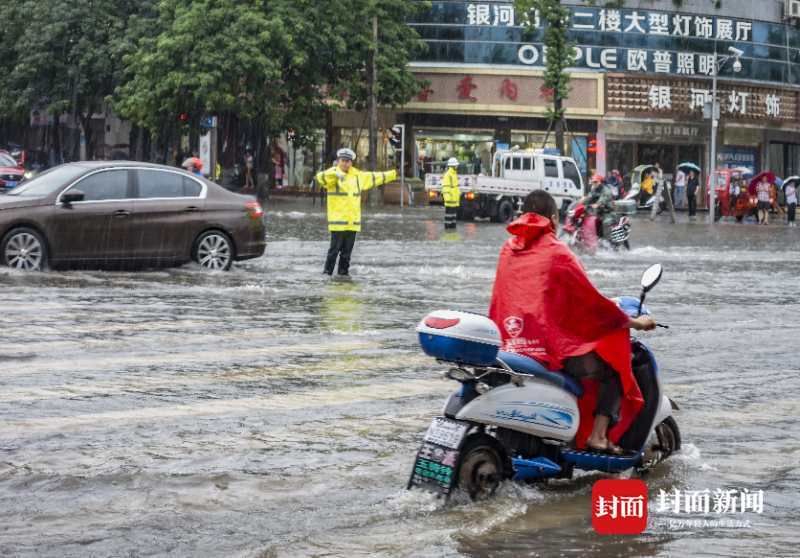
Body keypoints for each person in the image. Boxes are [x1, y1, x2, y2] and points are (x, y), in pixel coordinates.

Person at [488, 191, 655, 454]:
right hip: (550, 351)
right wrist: (634, 323)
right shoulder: (557, 252)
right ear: (553, 218)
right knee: (614, 370)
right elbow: (592, 302)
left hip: (510, 346)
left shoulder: (507, 250)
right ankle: (598, 436)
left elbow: (506, 297)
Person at [314, 148, 397, 276]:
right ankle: (327, 274)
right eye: (343, 161)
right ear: (338, 161)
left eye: (348, 161)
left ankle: (343, 276)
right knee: (334, 251)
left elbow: (375, 177)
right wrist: (335, 174)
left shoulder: (358, 176)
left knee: (347, 254)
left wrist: (393, 173)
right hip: (337, 223)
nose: (345, 163)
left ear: (351, 162)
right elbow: (321, 178)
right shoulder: (333, 174)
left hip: (352, 223)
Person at [583, 174, 616, 240]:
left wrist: (597, 204)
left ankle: (608, 242)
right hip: (598, 212)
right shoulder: (594, 190)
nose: (594, 183)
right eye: (593, 182)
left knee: (606, 223)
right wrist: (582, 202)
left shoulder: (606, 191)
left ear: (601, 182)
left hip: (608, 213)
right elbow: (589, 198)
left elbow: (602, 200)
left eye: (596, 182)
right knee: (587, 220)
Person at [441, 157, 460, 230]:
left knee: (453, 217)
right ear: (453, 166)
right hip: (450, 201)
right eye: (456, 165)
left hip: (454, 201)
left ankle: (452, 230)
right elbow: (445, 188)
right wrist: (448, 198)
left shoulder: (454, 174)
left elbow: (455, 187)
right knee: (449, 217)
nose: (457, 166)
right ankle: (448, 230)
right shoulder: (448, 175)